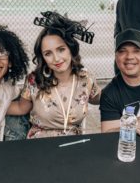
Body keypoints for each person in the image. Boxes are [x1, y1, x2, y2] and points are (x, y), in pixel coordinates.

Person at [8, 11, 101, 139]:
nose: (56, 59)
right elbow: (20, 108)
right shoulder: (34, 80)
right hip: (41, 145)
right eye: (48, 53)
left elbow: (103, 98)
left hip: (73, 144)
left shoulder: (86, 79)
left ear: (70, 49)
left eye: (61, 49)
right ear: (43, 57)